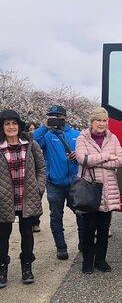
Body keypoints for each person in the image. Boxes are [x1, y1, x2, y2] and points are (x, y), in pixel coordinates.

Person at [75, 107, 122, 274]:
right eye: (99, 120)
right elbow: (82, 159)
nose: (102, 124)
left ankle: (101, 260)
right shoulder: (83, 138)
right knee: (89, 228)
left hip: (108, 190)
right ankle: (87, 261)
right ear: (92, 121)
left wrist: (97, 161)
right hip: (90, 190)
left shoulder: (113, 138)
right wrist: (106, 156)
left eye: (105, 121)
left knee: (104, 228)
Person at [0, 110, 45, 288]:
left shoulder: (31, 144)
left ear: (19, 126)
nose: (11, 127)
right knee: (2, 236)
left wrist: (39, 188)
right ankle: (2, 268)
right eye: (7, 124)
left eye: (14, 123)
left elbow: (41, 168)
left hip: (27, 198)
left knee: (27, 234)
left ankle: (27, 266)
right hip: (4, 200)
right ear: (2, 127)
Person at [33, 105, 84, 260]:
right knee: (56, 216)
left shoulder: (77, 134)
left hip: (75, 182)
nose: (56, 119)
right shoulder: (46, 136)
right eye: (52, 116)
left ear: (65, 118)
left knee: (81, 214)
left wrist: (78, 155)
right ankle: (61, 248)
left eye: (58, 117)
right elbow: (32, 142)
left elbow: (86, 152)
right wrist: (44, 126)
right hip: (54, 183)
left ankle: (84, 244)